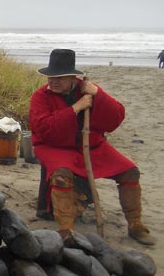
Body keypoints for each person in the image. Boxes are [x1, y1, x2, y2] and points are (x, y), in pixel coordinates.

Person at [29, 49, 155, 245]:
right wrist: (75, 108)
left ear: (73, 77)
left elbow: (115, 119)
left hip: (92, 146)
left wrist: (98, 94)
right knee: (62, 176)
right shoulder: (41, 97)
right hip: (55, 147)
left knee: (130, 172)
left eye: (60, 77)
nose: (53, 81)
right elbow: (44, 129)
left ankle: (136, 225)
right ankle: (66, 230)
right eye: (51, 77)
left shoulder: (88, 90)